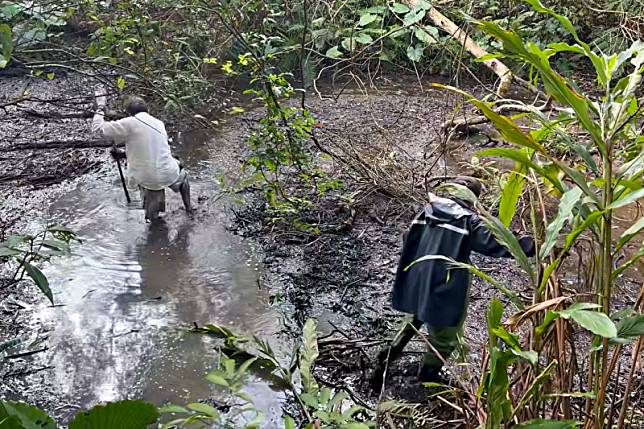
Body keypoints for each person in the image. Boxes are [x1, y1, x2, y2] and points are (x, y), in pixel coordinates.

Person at [371, 177, 535, 388]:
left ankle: (384, 359)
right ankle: (428, 377)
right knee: (444, 336)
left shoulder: (428, 211)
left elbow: (407, 237)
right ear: (472, 198)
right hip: (443, 286)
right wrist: (535, 246)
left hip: (418, 277)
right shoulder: (468, 221)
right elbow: (500, 243)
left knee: (414, 318)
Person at [92, 95, 192, 221]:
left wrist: (99, 109)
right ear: (147, 109)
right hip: (168, 172)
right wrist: (123, 154)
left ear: (129, 113)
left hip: (147, 178)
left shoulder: (128, 123)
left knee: (152, 217)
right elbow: (153, 149)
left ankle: (153, 225)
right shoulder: (158, 123)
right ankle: (189, 209)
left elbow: (97, 129)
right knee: (183, 176)